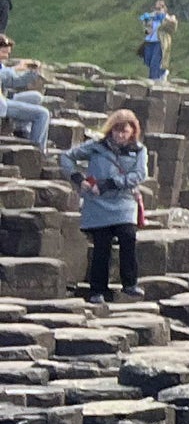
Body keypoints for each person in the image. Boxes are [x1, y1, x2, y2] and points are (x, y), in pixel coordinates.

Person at [62, 108, 151, 304]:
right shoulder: (96, 147)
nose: (120, 135)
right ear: (110, 130)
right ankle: (97, 290)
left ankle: (130, 283)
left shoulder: (139, 151)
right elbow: (67, 156)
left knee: (128, 236)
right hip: (98, 204)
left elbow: (139, 175)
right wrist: (78, 178)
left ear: (132, 132)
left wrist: (110, 183)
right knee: (102, 245)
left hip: (124, 200)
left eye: (125, 132)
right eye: (117, 131)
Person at [0, 37, 50, 162]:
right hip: (2, 104)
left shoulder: (2, 66)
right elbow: (5, 76)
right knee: (42, 114)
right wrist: (15, 68)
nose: (7, 55)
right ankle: (36, 154)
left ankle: (22, 130)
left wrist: (32, 72)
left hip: (4, 99)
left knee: (35, 97)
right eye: (4, 52)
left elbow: (14, 81)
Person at [139, 1, 175, 81]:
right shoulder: (152, 17)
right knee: (148, 60)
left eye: (159, 8)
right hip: (149, 42)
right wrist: (146, 24)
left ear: (163, 9)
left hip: (160, 42)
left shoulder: (168, 18)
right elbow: (145, 30)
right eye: (155, 8)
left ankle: (153, 80)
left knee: (154, 62)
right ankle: (162, 73)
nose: (157, 10)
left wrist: (165, 17)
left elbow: (173, 27)